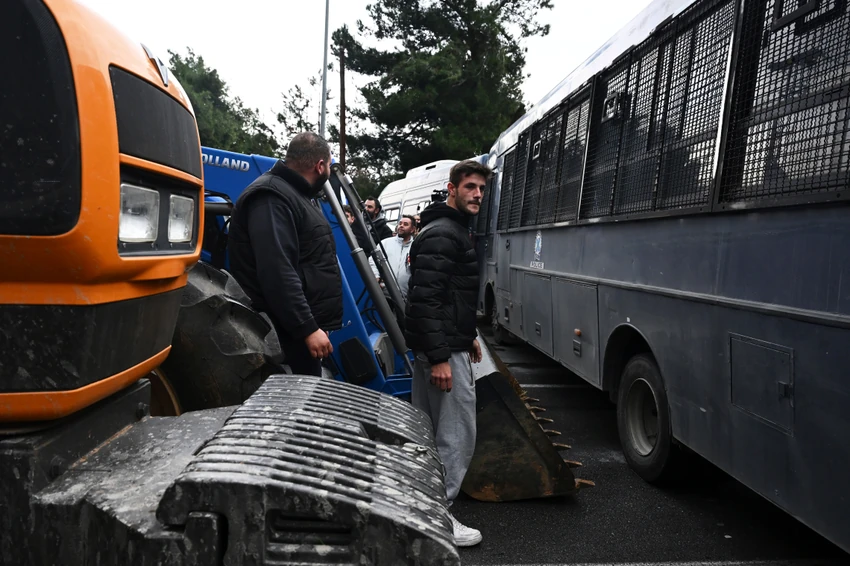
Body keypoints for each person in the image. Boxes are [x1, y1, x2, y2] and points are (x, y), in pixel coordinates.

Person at [404, 159, 492, 547]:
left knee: (426, 434)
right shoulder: (445, 233)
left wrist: (466, 334)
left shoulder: (445, 228)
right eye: (470, 186)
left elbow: (448, 295)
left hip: (440, 345)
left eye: (482, 189)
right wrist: (441, 356)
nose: (478, 194)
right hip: (441, 353)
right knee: (456, 436)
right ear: (452, 189)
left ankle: (420, 508)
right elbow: (425, 300)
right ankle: (438, 518)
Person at [226, 132, 342, 377]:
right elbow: (277, 270)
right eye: (330, 165)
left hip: (295, 329)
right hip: (282, 335)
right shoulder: (272, 198)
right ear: (320, 166)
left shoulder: (295, 196)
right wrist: (307, 327)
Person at [369, 214, 416, 301]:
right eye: (400, 223)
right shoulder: (385, 243)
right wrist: (376, 276)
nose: (401, 226)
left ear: (412, 229)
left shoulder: (416, 246)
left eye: (405, 224)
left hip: (406, 297)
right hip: (384, 294)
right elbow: (373, 260)